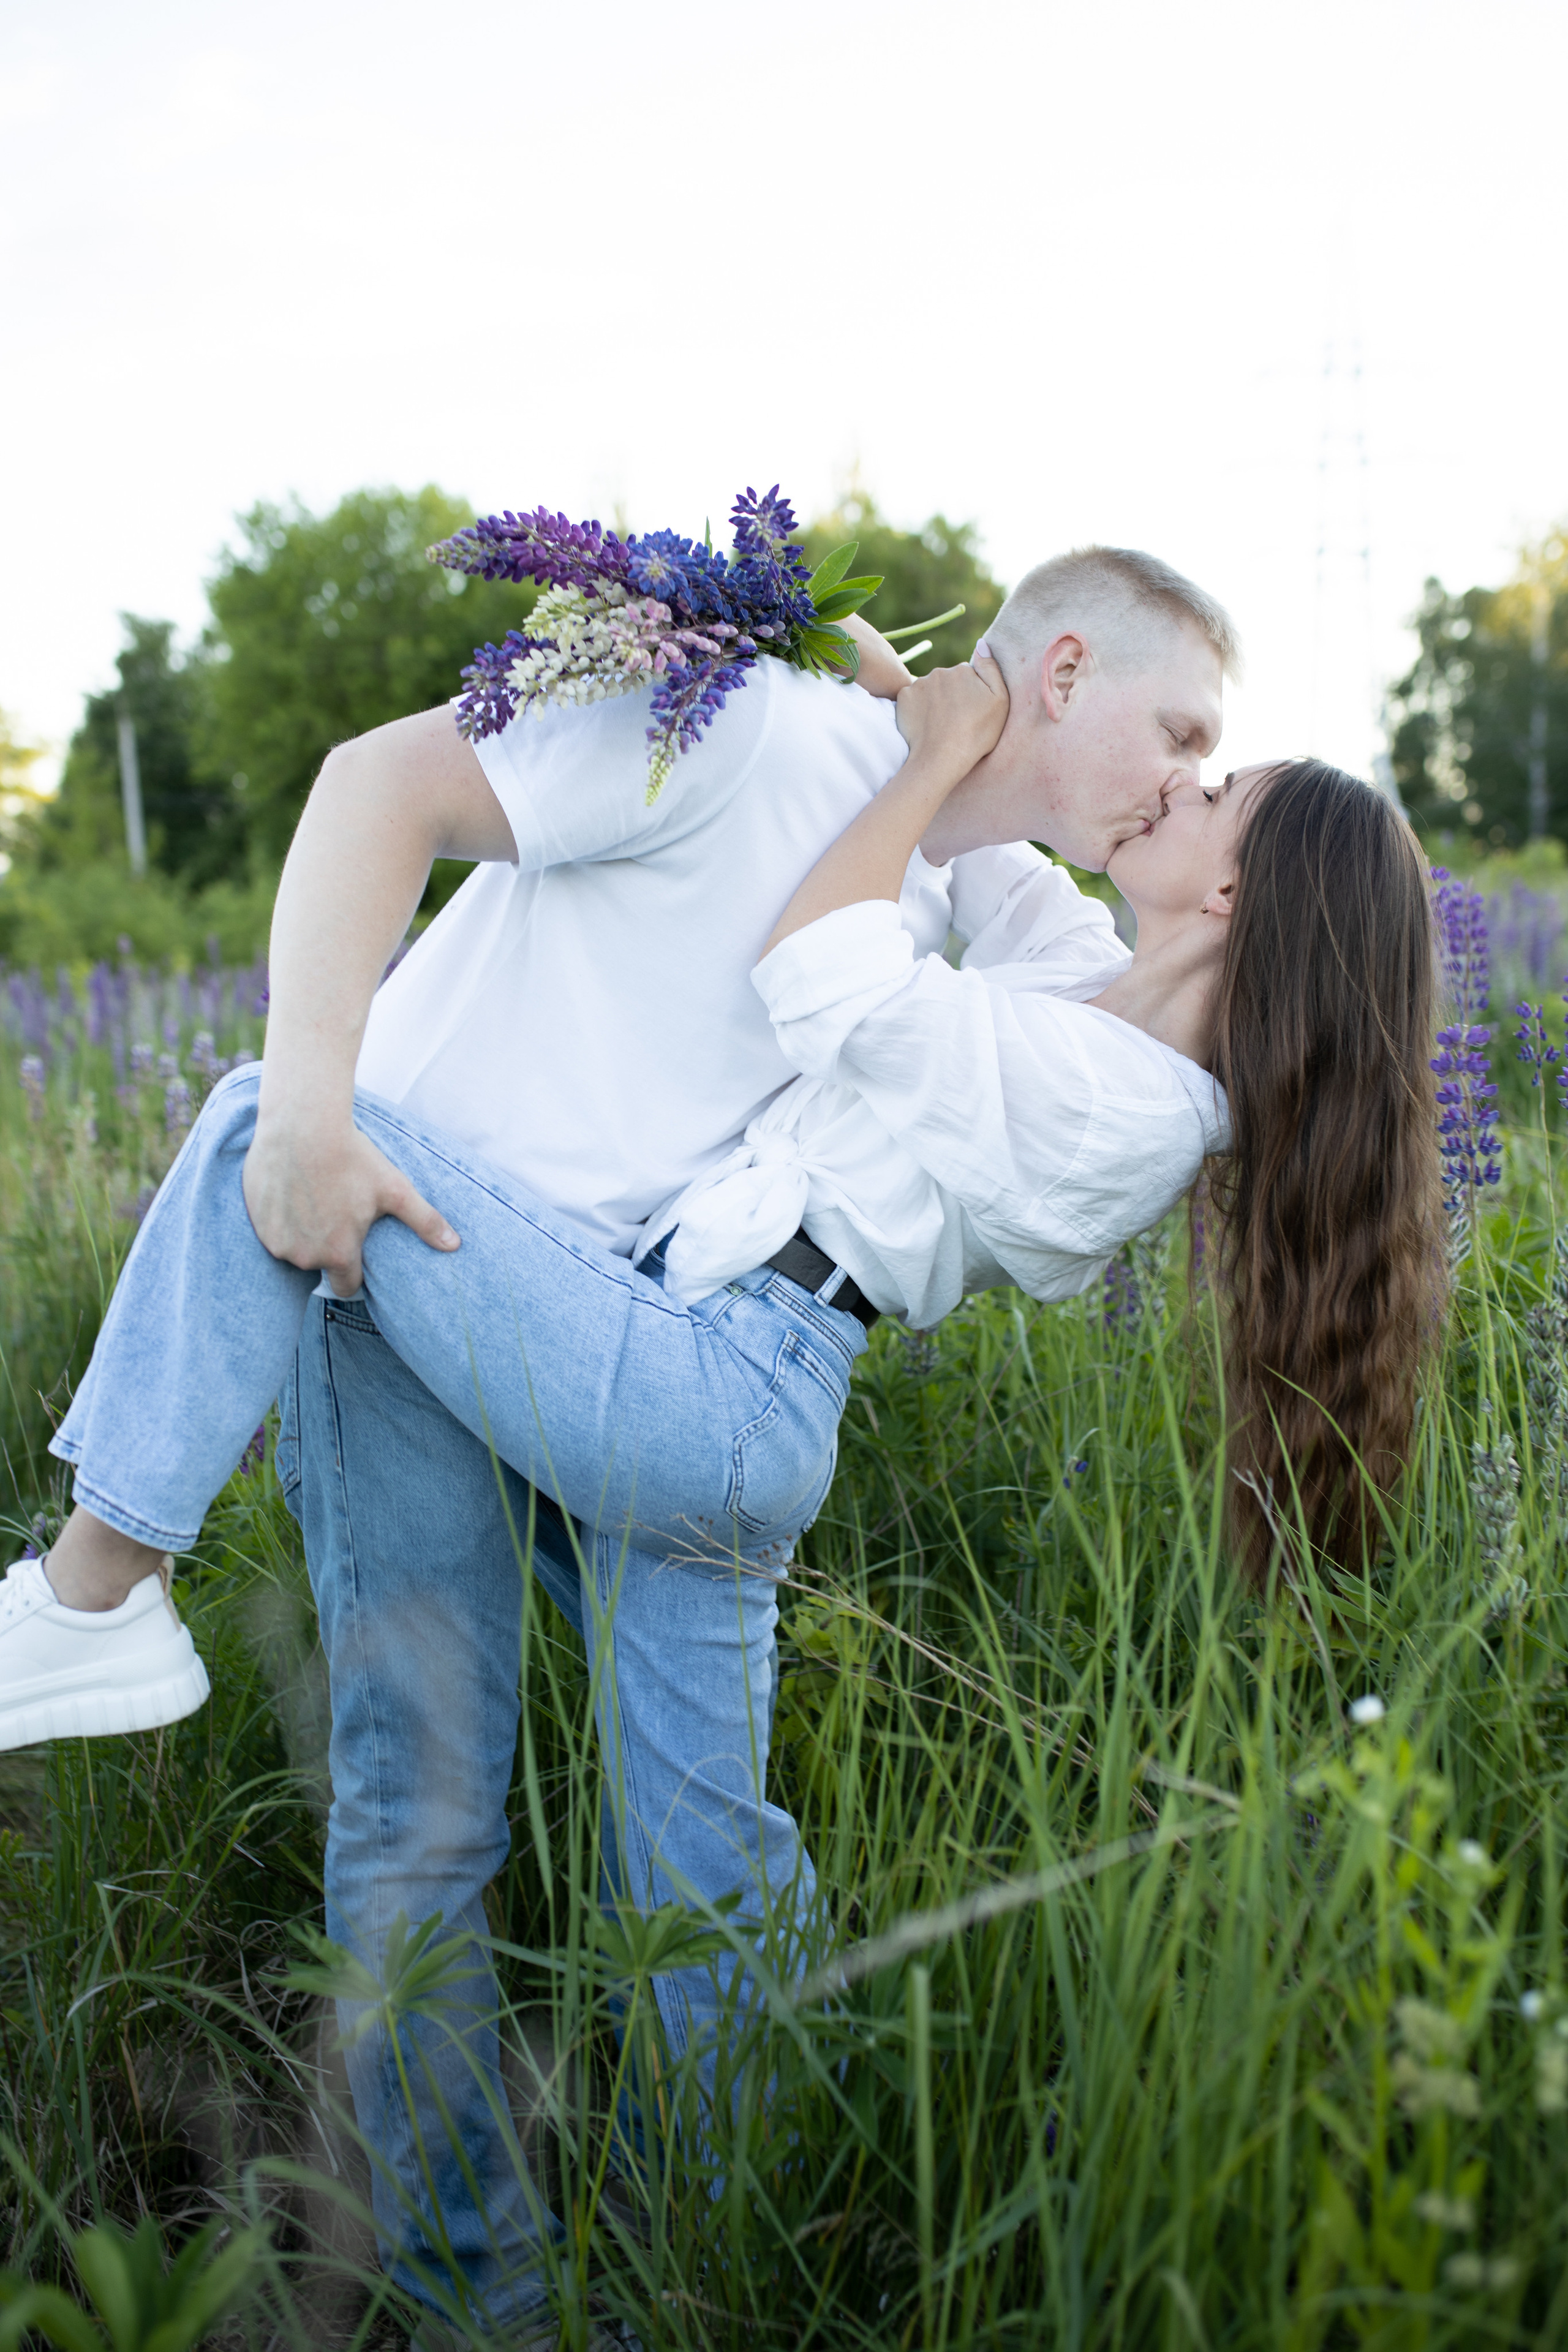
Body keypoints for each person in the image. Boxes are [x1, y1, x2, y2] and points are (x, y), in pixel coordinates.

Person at [19, 545, 1444, 2347]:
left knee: (260, 1123)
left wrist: (929, 753)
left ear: (1241, 886)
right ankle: (680, 2281)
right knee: (701, 1874)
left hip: (718, 1381)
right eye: (1186, 737)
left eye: (1213, 776)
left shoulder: (1135, 1100)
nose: (1185, 778)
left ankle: (94, 1588)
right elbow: (979, 869)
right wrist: (926, 710)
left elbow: (821, 968)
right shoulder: (1095, 978)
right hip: (685, 1364)